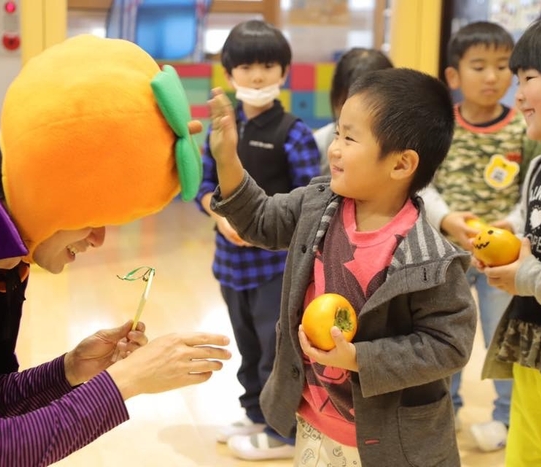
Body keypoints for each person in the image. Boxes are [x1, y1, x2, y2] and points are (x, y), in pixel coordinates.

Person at [0, 35, 232, 467]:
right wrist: (126, 381)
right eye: (93, 216)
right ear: (57, 195)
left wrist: (70, 371)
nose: (97, 239)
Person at [207, 67, 477, 466]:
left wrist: (358, 359)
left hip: (390, 444)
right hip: (315, 422)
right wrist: (227, 159)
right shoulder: (317, 205)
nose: (334, 148)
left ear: (401, 165)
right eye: (337, 133)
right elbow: (260, 220)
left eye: (350, 138)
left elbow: (448, 346)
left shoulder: (430, 257)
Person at [195, 19, 320, 461]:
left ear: (284, 72)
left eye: (268, 65)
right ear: (229, 74)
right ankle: (254, 413)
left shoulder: (294, 132)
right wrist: (221, 216)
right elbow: (203, 184)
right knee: (248, 347)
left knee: (276, 350)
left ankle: (282, 430)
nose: (258, 75)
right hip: (230, 263)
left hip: (276, 267)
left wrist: (264, 227)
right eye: (247, 66)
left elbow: (312, 199)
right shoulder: (224, 127)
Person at [419, 21, 541, 451]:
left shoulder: (523, 128)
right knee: (445, 335)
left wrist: (510, 224)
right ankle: (444, 408)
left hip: (504, 262)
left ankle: (507, 417)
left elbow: (530, 191)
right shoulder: (441, 125)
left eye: (501, 67)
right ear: (453, 76)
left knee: (502, 336)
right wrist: (448, 219)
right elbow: (423, 184)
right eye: (478, 66)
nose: (492, 77)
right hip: (446, 256)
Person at [480, 10, 541, 465]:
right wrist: (507, 239)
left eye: (526, 77)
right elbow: (535, 224)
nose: (518, 95)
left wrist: (526, 277)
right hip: (532, 357)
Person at [313, 47, 393, 176]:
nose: (335, 151)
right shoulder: (320, 143)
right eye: (345, 101)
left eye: (369, 104)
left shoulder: (399, 146)